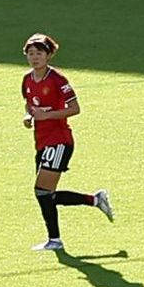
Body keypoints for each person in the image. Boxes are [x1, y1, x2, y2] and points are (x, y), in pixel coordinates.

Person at [19, 32, 116, 252]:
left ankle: (55, 241)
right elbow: (29, 104)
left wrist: (48, 115)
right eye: (30, 54)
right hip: (42, 141)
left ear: (48, 55)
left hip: (59, 141)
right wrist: (29, 116)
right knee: (47, 195)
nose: (34, 58)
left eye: (39, 53)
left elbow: (75, 108)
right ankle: (95, 200)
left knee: (42, 192)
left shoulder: (57, 80)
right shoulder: (27, 79)